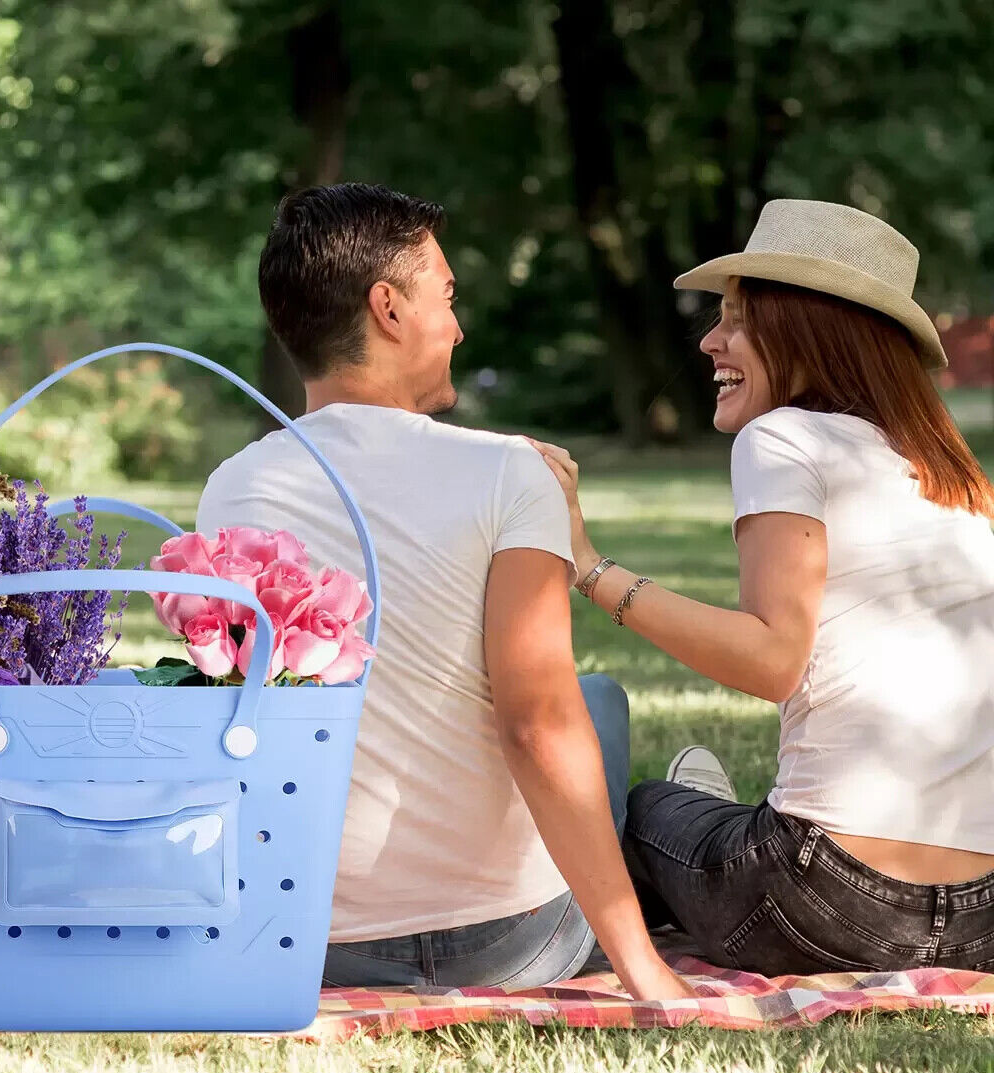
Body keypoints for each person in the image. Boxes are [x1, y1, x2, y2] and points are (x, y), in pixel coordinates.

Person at [196, 183, 692, 999]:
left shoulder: (234, 490)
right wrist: (644, 969)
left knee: (584, 697)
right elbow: (537, 726)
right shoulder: (508, 471)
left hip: (314, 938)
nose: (459, 326)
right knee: (590, 704)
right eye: (448, 296)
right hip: (506, 945)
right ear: (388, 309)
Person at [535, 199, 994, 975]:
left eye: (739, 320)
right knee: (707, 823)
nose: (710, 340)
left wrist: (588, 567)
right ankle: (723, 822)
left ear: (812, 329)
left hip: (827, 906)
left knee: (647, 809)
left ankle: (694, 839)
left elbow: (772, 660)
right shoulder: (954, 481)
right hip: (980, 921)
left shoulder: (782, 437)